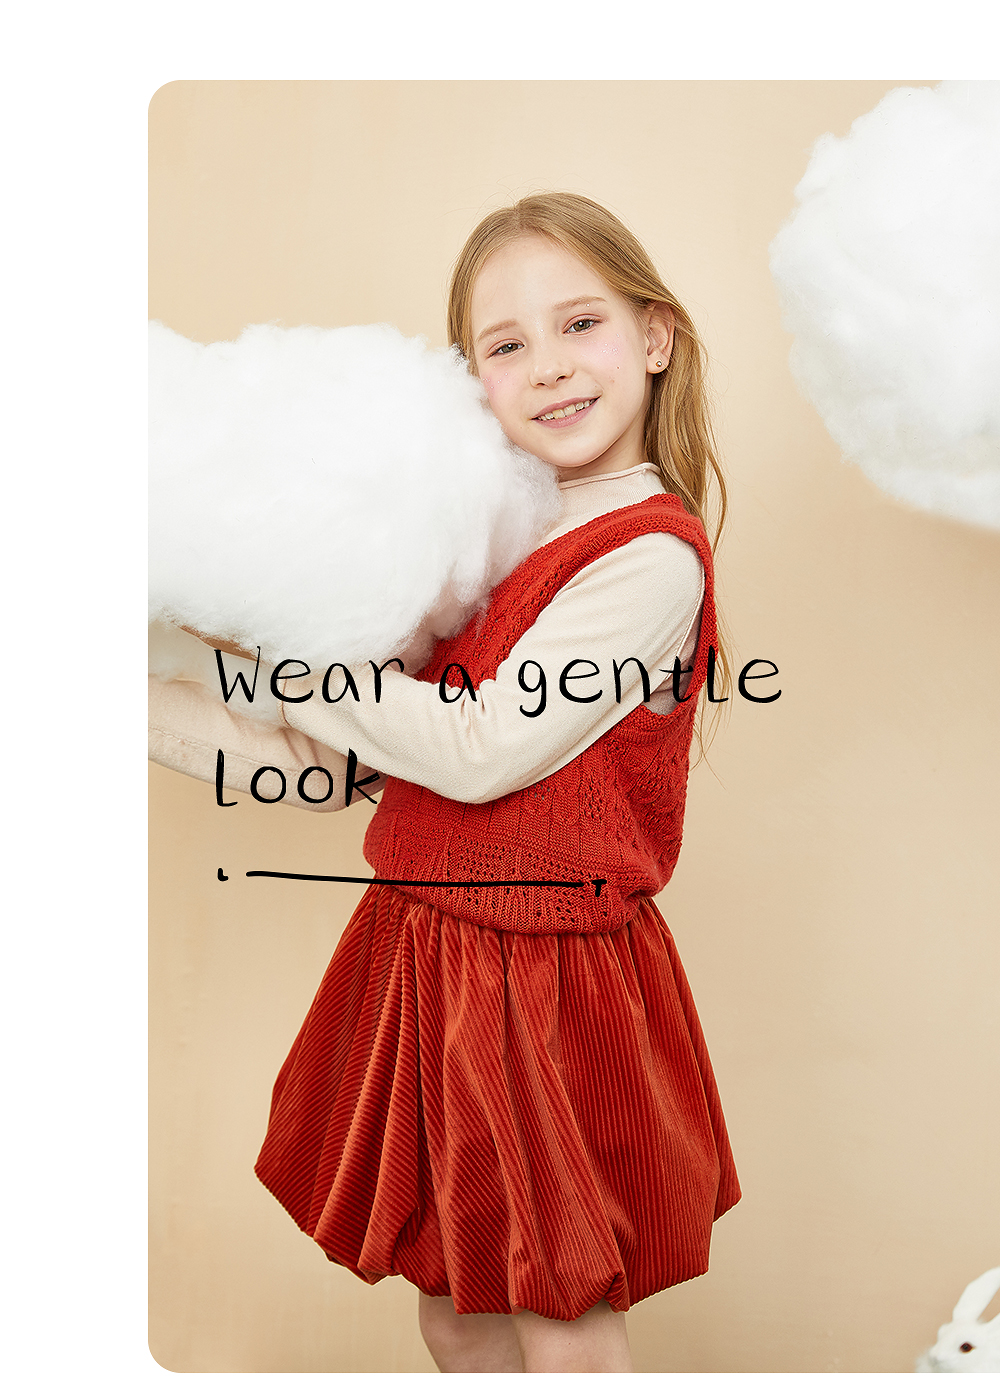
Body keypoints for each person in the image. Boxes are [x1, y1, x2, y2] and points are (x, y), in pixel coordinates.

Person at [149, 192, 740, 1372]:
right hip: (427, 952)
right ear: (469, 379)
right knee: (456, 1304)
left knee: (557, 1305)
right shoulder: (474, 547)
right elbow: (341, 768)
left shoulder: (648, 558)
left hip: (540, 972)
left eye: (580, 323)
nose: (548, 366)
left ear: (654, 336)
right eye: (505, 344)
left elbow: (478, 748)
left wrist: (284, 647)